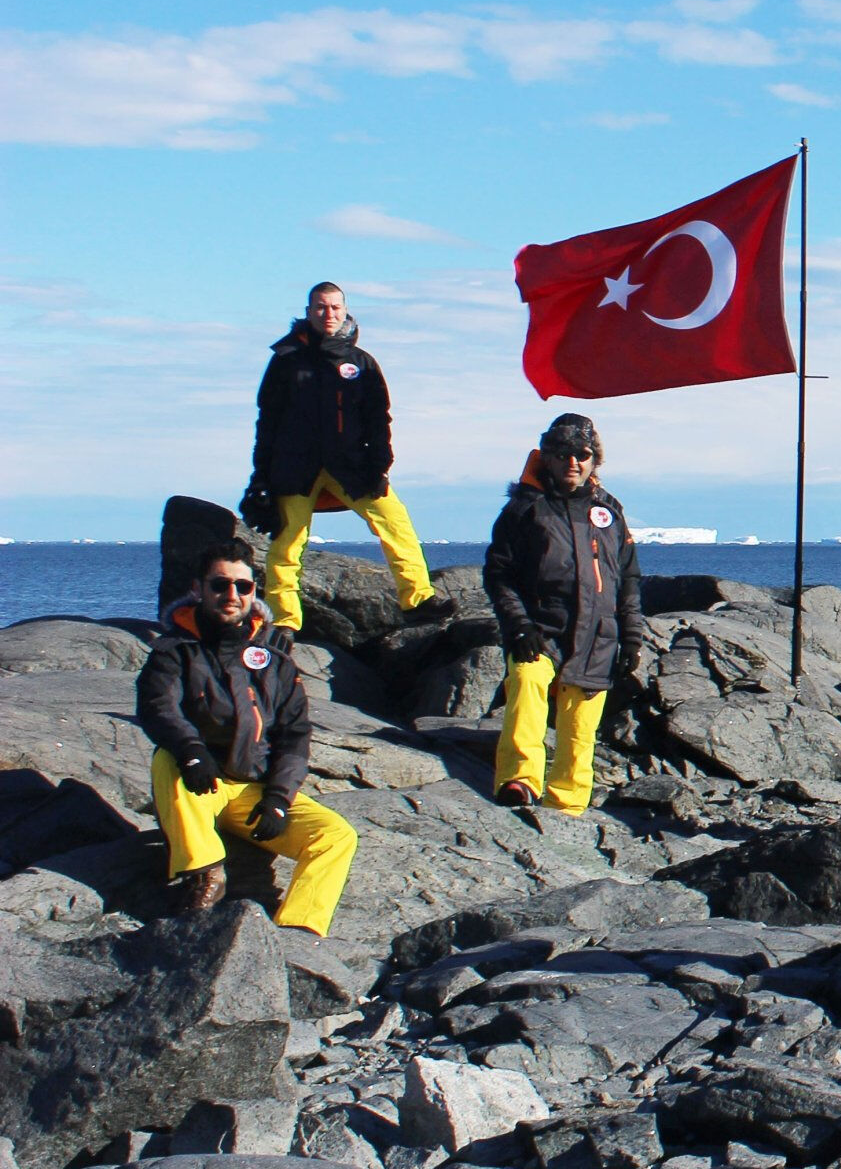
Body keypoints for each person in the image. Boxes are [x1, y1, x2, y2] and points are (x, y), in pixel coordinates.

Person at [135, 537, 359, 932]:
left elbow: (294, 735)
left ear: (254, 591)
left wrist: (277, 799)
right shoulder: (174, 651)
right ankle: (204, 873)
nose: (231, 595)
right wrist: (191, 751)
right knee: (167, 758)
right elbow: (159, 708)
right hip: (196, 784)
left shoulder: (275, 660)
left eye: (243, 586)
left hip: (250, 791)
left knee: (336, 837)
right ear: (197, 589)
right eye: (220, 585)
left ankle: (299, 929)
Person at [244, 281, 438, 632]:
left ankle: (418, 600)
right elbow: (267, 420)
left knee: (395, 524)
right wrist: (260, 477)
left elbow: (378, 418)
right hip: (294, 466)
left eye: (334, 307)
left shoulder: (360, 362)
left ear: (345, 311)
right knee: (287, 545)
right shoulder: (286, 360)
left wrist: (380, 465)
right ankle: (285, 620)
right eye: (320, 307)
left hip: (352, 465)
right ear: (308, 312)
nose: (328, 314)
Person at [484, 412, 645, 814]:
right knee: (526, 683)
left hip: (598, 636)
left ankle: (567, 805)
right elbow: (499, 574)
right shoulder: (524, 510)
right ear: (547, 458)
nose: (572, 462)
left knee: (579, 730)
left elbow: (627, 578)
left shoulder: (608, 512)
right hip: (540, 629)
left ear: (594, 461)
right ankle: (519, 781)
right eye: (562, 453)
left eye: (582, 454)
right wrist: (518, 625)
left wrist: (632, 639)